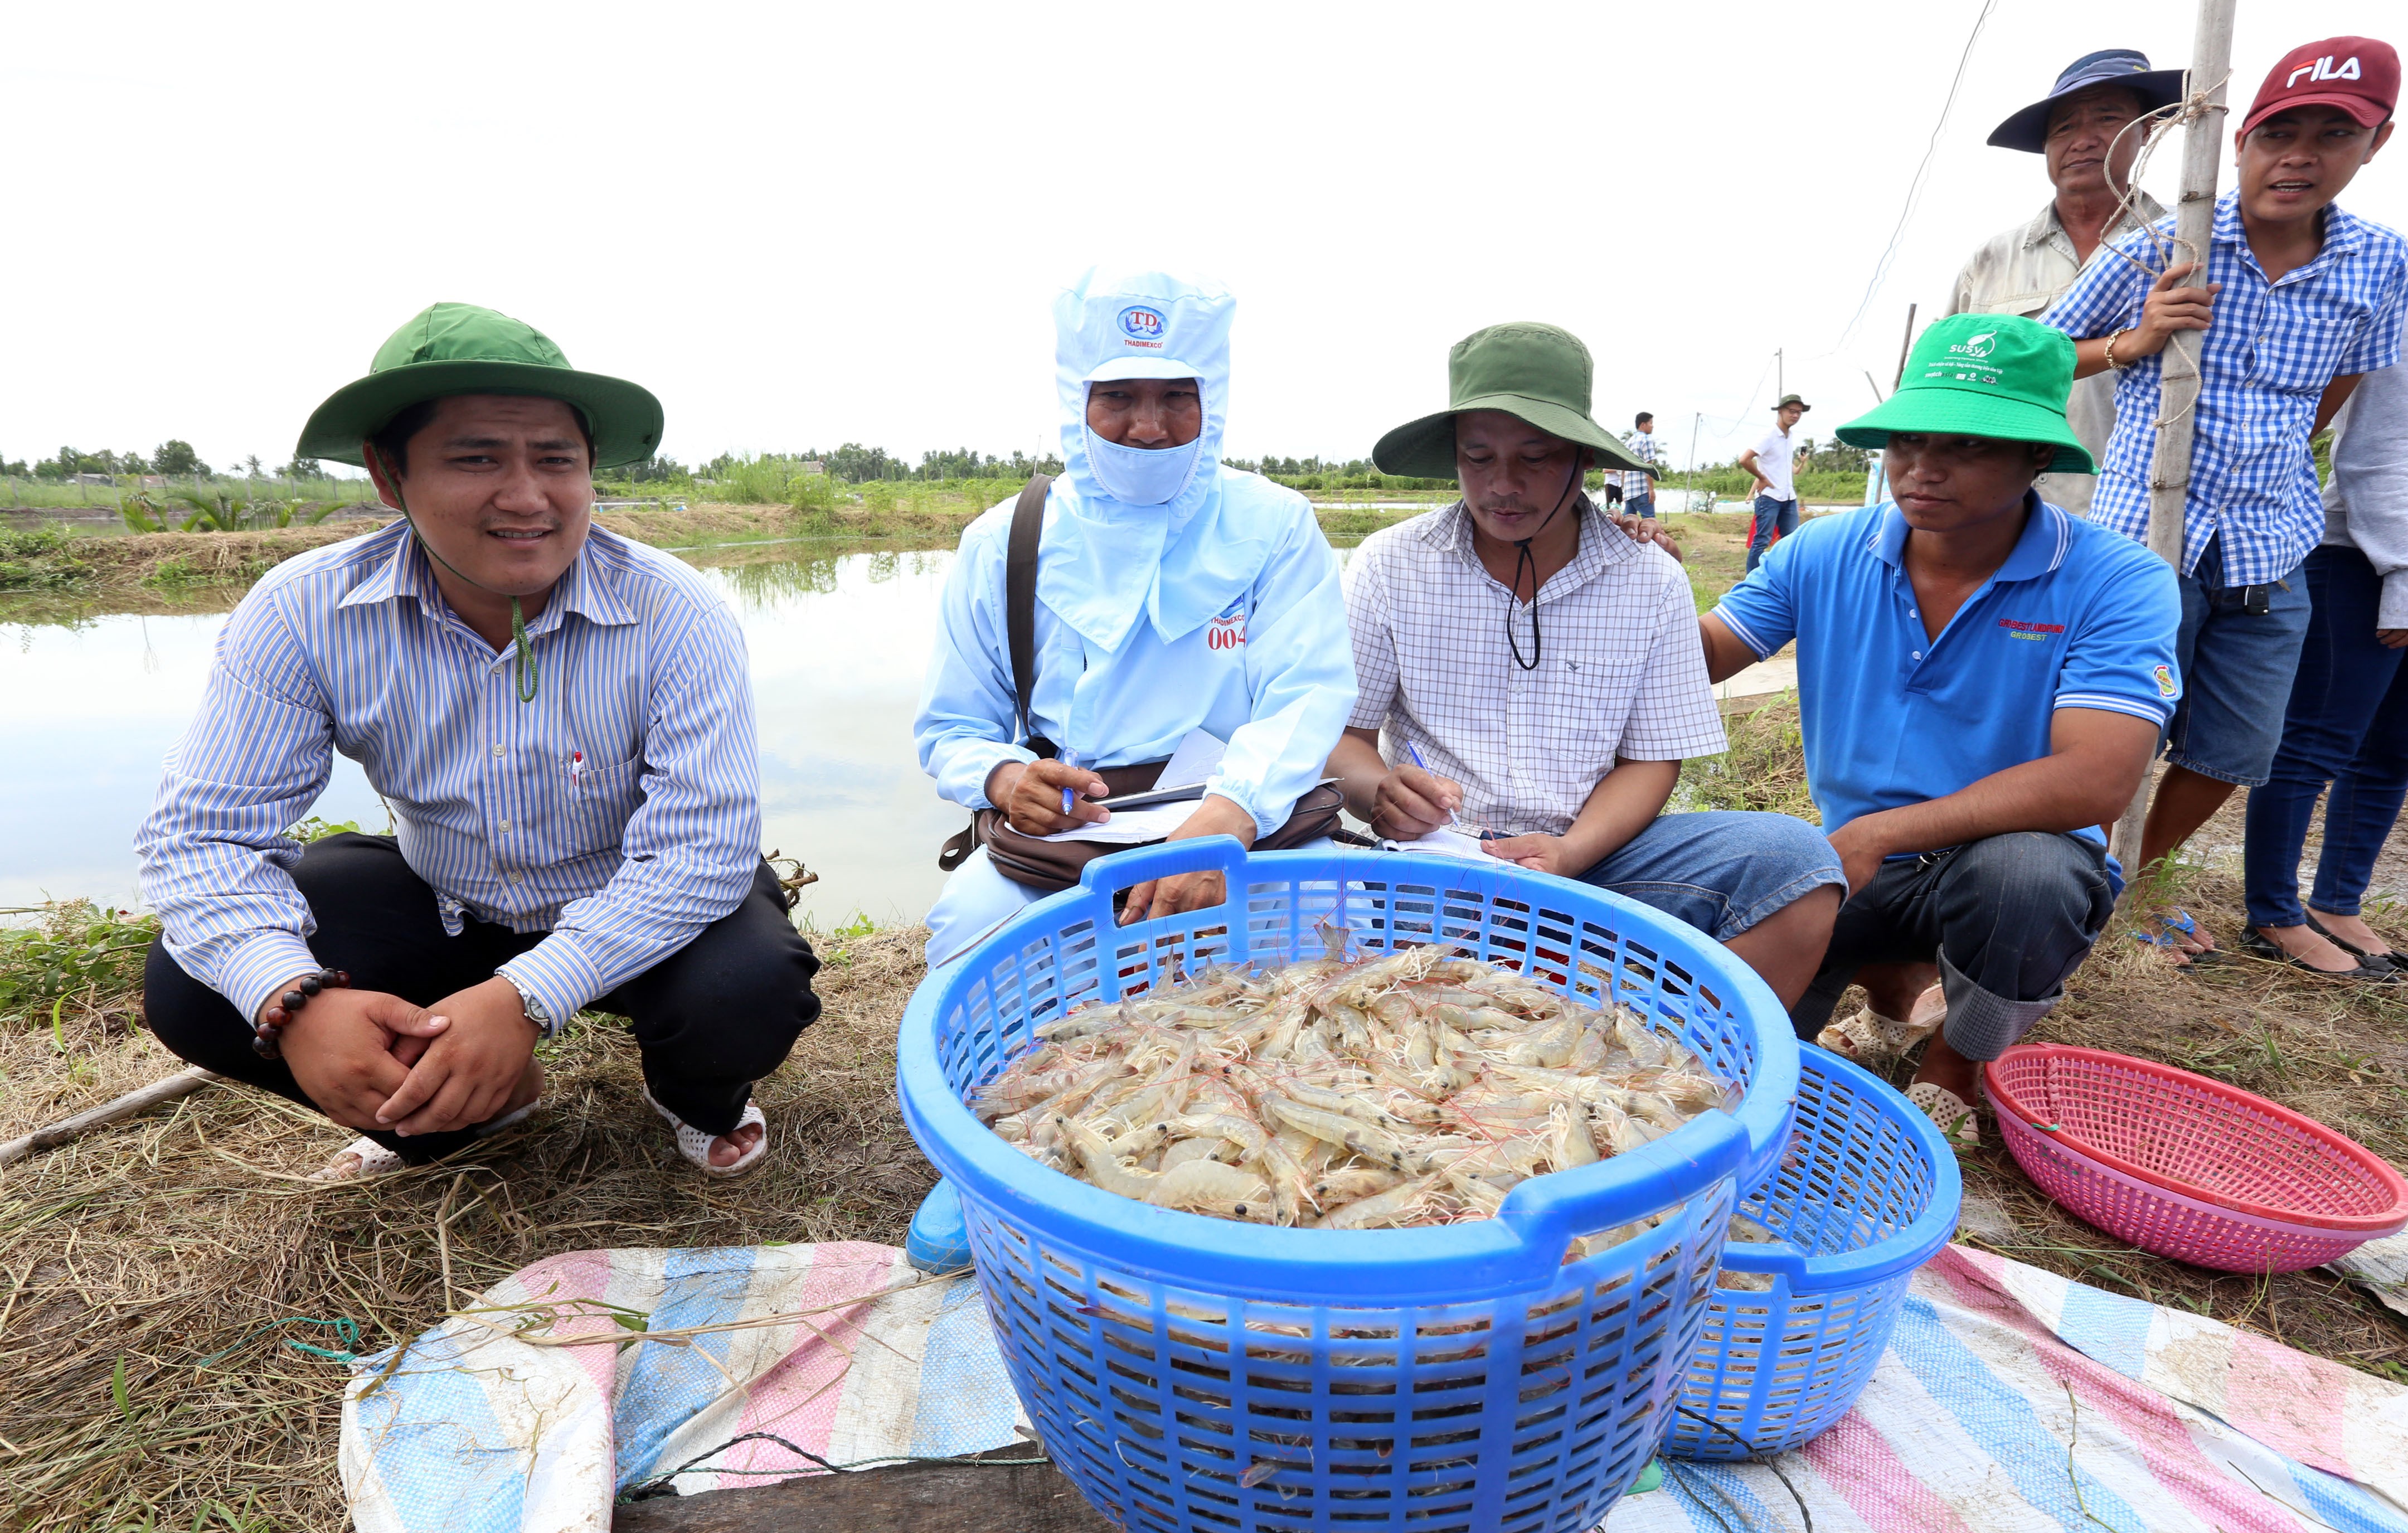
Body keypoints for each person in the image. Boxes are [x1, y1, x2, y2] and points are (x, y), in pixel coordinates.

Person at [137, 304, 822, 1180]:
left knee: (745, 988)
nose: (527, 496)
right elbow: (202, 835)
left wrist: (526, 998)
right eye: (476, 459)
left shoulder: (673, 611)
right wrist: (292, 998)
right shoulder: (300, 611)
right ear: (390, 477)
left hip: (639, 903)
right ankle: (460, 1113)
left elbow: (700, 850)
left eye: (556, 460)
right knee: (194, 985)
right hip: (450, 898)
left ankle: (695, 1098)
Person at [1700, 316, 2182, 1146]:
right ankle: (1894, 996)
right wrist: (1614, 572)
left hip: (1995, 853)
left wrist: (1883, 831)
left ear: (2039, 456)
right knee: (1743, 1054)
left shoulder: (2116, 580)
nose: (1923, 467)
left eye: (1967, 445)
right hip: (1852, 857)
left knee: (2027, 881)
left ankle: (1958, 1063)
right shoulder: (1823, 553)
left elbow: (2098, 779)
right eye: (1908, 440)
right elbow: (1702, 657)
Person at [1326, 322, 1844, 1009]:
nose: (1502, 486)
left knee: (1796, 864)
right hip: (1441, 854)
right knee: (1444, 997)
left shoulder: (1648, 579)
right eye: (1478, 457)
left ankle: (1695, 1066)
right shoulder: (1392, 564)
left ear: (1581, 459)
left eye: (1535, 458)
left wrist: (1570, 855)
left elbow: (1653, 760)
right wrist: (1381, 794)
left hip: (1593, 852)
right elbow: (1345, 739)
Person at [2041, 35, 2404, 962]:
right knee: (2114, 726)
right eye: (2280, 132)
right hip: (2143, 532)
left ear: (2377, 144)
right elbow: (2041, 356)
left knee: (2237, 745)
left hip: (2271, 537)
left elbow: (2344, 386)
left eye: (2334, 135)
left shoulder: (2379, 266)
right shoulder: (2169, 246)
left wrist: (2279, 451)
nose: (2300, 156)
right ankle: (2062, 884)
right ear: (2240, 139)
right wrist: (2138, 337)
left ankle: (2125, 882)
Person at [913, 267, 1355, 965]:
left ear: (1212, 400)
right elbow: (953, 726)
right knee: (974, 933)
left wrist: (1231, 812)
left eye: (1177, 397)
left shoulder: (1274, 524)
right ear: (1075, 398)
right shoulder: (1004, 541)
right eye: (1117, 396)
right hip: (1076, 833)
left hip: (1245, 817)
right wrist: (1004, 778)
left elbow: (1308, 692)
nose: (1148, 428)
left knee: (1336, 929)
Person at [1946, 47, 2179, 514]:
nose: (2084, 140)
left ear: (2146, 129)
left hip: (2143, 512)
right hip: (2007, 509)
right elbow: (1948, 384)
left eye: (2107, 119)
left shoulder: (2184, 246)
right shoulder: (1992, 260)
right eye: (2064, 128)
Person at [2240, 357, 2408, 978]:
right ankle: (2273, 913)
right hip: (2363, 555)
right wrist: (2402, 577)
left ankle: (2336, 905)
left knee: (2393, 752)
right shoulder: (2400, 307)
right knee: (2317, 744)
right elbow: (2376, 453)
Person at [1740, 395, 1809, 571]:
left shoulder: (1789, 436)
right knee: (1762, 540)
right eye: (1791, 411)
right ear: (1780, 411)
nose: (1795, 416)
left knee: (1791, 540)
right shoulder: (1769, 435)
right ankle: (1751, 580)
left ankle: (1784, 578)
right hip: (1770, 497)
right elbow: (1745, 460)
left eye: (1799, 413)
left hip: (1788, 497)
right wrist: (1762, 478)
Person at [1621, 411, 1663, 520]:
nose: (1652, 426)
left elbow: (1623, 470)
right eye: (1651, 423)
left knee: (1627, 526)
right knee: (1650, 522)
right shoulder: (1646, 439)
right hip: (1641, 490)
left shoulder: (1628, 442)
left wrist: (1624, 490)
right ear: (1643, 425)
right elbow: (1649, 467)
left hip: (1629, 490)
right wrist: (1651, 490)